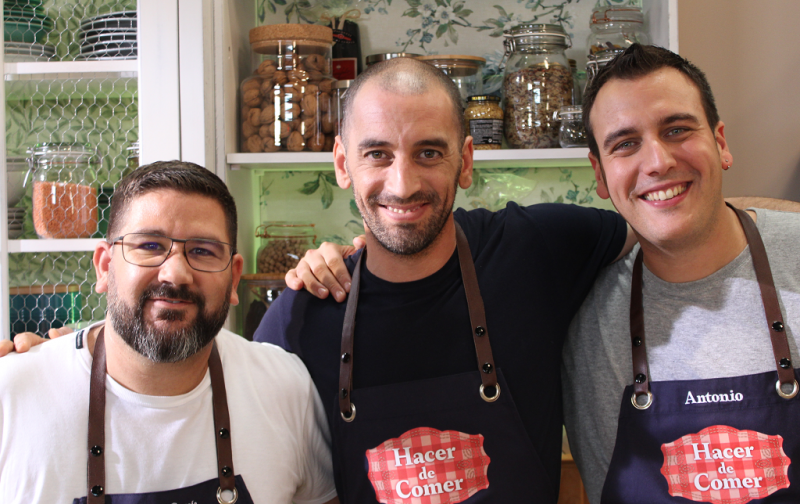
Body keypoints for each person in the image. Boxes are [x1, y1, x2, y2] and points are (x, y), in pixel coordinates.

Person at [254, 56, 632, 502]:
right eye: (377, 154)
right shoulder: (300, 318)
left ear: (465, 162)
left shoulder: (536, 247)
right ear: (342, 164)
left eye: (428, 153)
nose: (403, 184)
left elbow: (662, 231)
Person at [0, 161, 338, 504]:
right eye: (149, 246)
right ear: (105, 267)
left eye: (203, 251)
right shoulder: (13, 394)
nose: (175, 274)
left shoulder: (285, 387)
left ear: (234, 279)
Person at [561, 44, 800, 503]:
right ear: (599, 173)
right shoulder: (580, 311)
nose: (658, 162)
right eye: (625, 143)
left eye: (676, 129)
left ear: (721, 142)